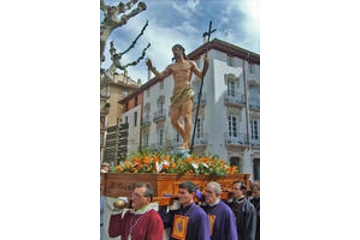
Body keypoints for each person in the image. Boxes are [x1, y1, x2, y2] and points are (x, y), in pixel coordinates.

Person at [146, 44, 209, 150]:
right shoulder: (172, 66)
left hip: (187, 91)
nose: (174, 52)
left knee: (186, 117)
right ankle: (187, 140)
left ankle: (185, 143)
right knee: (173, 121)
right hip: (176, 95)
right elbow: (161, 76)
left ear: (182, 50)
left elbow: (201, 75)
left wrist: (207, 64)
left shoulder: (190, 64)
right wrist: (151, 68)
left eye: (176, 50)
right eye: (173, 51)